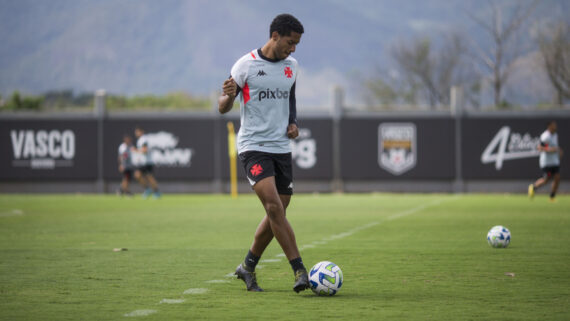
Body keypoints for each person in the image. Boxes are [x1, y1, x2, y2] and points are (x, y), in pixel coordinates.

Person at [218, 13, 309, 293]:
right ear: (275, 36)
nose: (293, 49)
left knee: (277, 212)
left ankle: (246, 267)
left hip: (281, 148)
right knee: (273, 207)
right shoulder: (245, 65)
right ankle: (300, 271)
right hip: (253, 146)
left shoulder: (291, 67)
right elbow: (222, 106)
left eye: (296, 44)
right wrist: (228, 96)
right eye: (290, 42)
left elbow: (290, 98)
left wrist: (293, 123)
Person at [528, 121, 563, 201]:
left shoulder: (555, 135)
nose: (555, 126)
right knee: (546, 179)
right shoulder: (545, 136)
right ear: (549, 126)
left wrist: (558, 151)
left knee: (557, 178)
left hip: (555, 161)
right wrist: (551, 150)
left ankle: (552, 197)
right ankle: (533, 187)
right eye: (554, 125)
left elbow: (555, 147)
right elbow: (540, 148)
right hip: (547, 163)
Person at [133, 126, 161, 199]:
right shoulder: (140, 140)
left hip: (147, 162)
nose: (136, 133)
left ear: (141, 132)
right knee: (137, 175)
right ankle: (148, 189)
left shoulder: (143, 139)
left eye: (137, 132)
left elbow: (145, 150)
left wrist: (136, 150)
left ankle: (156, 192)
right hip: (143, 162)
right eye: (136, 132)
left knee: (150, 178)